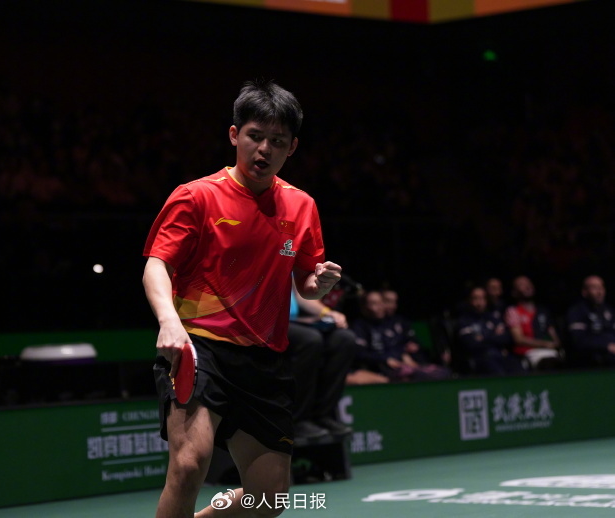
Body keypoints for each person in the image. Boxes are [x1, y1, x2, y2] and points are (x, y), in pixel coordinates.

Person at [142, 80, 342, 518]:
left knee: (270, 498)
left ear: (292, 148)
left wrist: (319, 284)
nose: (264, 149)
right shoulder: (197, 195)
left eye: (278, 141)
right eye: (255, 136)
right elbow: (157, 265)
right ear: (235, 135)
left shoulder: (301, 206)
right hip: (200, 346)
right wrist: (168, 321)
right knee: (189, 465)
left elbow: (306, 283)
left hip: (265, 360)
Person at [287, 283, 355, 439]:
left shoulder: (289, 267)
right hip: (265, 322)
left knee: (344, 339)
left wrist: (328, 313)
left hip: (296, 321)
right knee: (311, 340)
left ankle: (323, 415)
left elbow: (301, 297)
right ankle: (297, 419)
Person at [350, 289, 451, 382]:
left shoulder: (393, 323)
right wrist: (385, 359)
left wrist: (405, 354)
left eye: (381, 303)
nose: (380, 307)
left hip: (403, 365)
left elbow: (403, 345)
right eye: (374, 303)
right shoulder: (359, 326)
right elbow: (360, 354)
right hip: (379, 370)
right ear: (364, 307)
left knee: (441, 372)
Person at [456, 286, 526, 376]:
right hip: (480, 358)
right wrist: (494, 336)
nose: (479, 302)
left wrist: (483, 338)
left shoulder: (493, 318)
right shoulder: (464, 321)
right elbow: (470, 344)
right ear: (469, 300)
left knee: (517, 366)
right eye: (475, 298)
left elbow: (507, 338)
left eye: (482, 298)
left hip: (500, 355)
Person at [504, 275, 562, 370]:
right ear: (514, 292)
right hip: (529, 353)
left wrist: (555, 344)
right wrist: (545, 344)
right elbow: (518, 339)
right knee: (548, 364)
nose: (527, 286)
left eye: (529, 283)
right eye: (522, 284)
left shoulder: (543, 311)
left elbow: (554, 337)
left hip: (550, 352)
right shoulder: (513, 311)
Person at [565, 275, 615, 367]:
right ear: (584, 292)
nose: (599, 292)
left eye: (601, 287)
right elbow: (578, 341)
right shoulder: (577, 311)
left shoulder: (610, 311)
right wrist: (606, 346)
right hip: (592, 358)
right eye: (594, 288)